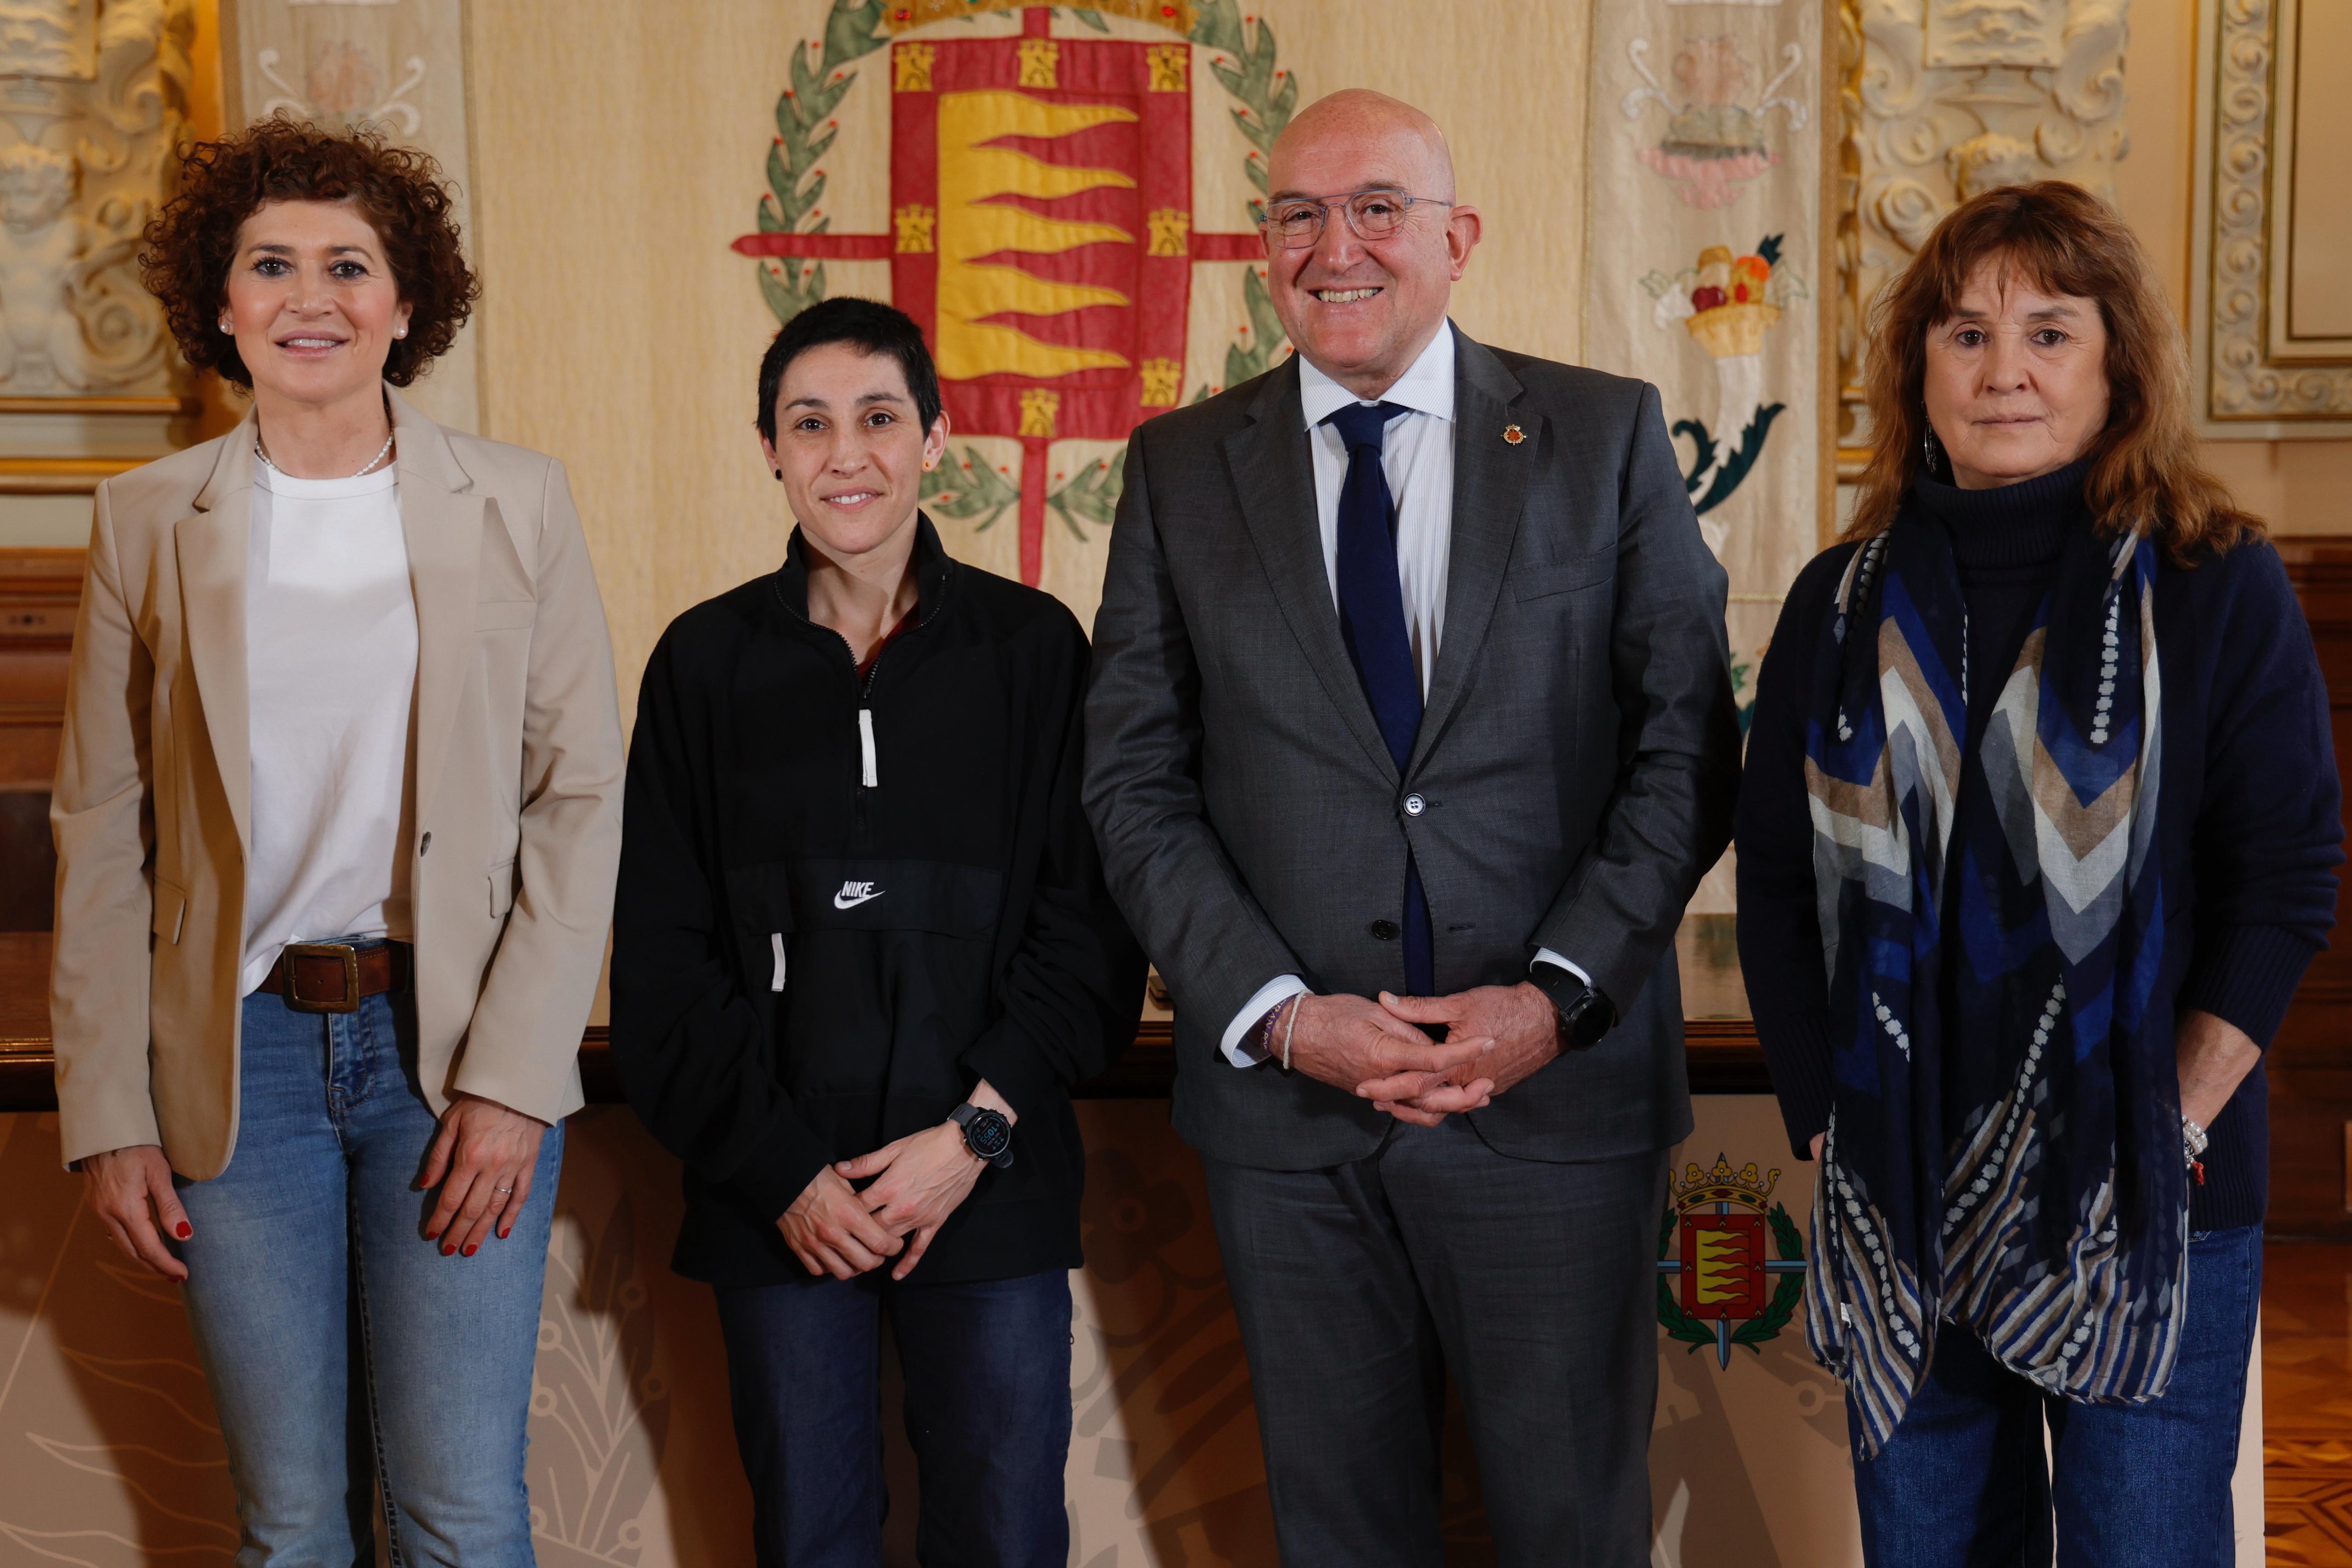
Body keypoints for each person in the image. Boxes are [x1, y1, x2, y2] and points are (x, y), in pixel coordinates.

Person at [1083, 90, 1741, 1565]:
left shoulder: (1603, 434)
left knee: (1572, 1536)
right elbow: (1132, 781)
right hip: (1291, 1124)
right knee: (1340, 1542)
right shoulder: (1180, 468)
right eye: (1298, 215)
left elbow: (1689, 748)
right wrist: (1277, 1015)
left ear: (1458, 238)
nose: (1337, 249)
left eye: (1377, 208)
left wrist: (1556, 999)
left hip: (1556, 1112)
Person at [1736, 181, 2342, 1565]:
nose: (2003, 369)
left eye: (2049, 333)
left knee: (2143, 1549)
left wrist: (2174, 1119)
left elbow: (2287, 877)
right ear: (1919, 372)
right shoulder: (1836, 602)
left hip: (2150, 1187)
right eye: (1965, 333)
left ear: (2119, 368)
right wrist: (1826, 1113)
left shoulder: (2213, 580)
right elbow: (1774, 876)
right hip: (1902, 1187)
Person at [50, 119, 625, 1566]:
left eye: (349, 265)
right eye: (272, 265)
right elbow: (102, 827)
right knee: (292, 1521)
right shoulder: (143, 519)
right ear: (223, 302)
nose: (311, 297)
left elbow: (578, 798)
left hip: (453, 1049)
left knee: (462, 1512)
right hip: (234, 1061)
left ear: (407, 302)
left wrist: (515, 1082)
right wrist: (109, 1110)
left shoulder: (520, 499)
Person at [609, 296, 1145, 1568]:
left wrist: (973, 1136)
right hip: (778, 1198)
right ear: (770, 450)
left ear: (935, 439)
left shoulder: (1035, 650)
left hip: (988, 1180)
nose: (845, 454)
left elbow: (1089, 935)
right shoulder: (702, 664)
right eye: (810, 424)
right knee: (812, 1540)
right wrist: (786, 1175)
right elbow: (663, 963)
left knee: (1006, 1539)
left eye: (878, 418)